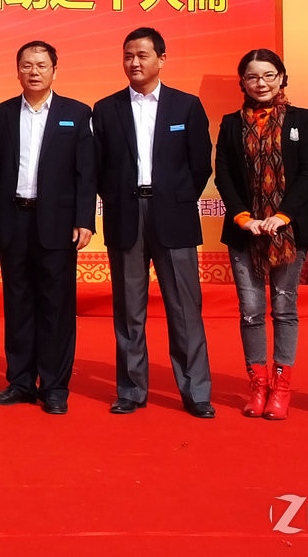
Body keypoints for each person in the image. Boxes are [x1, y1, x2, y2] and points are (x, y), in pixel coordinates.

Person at [92, 27, 215, 418]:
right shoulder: (106, 108)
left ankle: (195, 391)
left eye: (143, 55)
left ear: (162, 59)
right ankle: (131, 389)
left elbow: (200, 164)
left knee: (184, 307)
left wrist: (177, 200)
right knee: (129, 309)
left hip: (173, 217)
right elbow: (99, 167)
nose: (134, 62)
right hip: (126, 216)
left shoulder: (187, 106)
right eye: (128, 55)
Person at [0, 41, 96, 416]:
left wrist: (85, 219)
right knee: (17, 304)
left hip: (57, 224)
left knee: (56, 306)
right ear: (17, 71)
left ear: (55, 70)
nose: (34, 71)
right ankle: (19, 381)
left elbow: (86, 173)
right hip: (13, 219)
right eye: (27, 65)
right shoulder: (0, 114)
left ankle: (54, 386)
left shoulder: (76, 113)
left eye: (41, 65)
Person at [214, 49, 308, 420]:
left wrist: (283, 216)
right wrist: (245, 218)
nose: (261, 83)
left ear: (282, 77)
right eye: (253, 77)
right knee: (252, 311)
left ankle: (282, 386)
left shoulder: (301, 120)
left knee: (285, 309)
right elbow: (222, 174)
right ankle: (257, 385)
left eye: (269, 75)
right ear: (242, 81)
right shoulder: (230, 124)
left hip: (288, 231)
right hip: (246, 233)